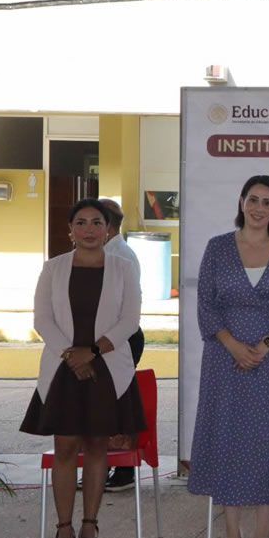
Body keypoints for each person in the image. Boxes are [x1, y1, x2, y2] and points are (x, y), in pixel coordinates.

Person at [20, 198, 145, 538]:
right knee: (65, 448)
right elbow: (42, 319)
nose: (89, 229)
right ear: (70, 230)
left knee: (96, 447)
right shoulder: (53, 268)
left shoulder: (124, 268)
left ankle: (90, 528)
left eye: (96, 222)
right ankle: (64, 531)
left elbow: (130, 320)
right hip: (64, 368)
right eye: (81, 222)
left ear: (108, 230)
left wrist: (90, 352)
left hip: (107, 367)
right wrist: (72, 355)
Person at [187, 175, 269, 538]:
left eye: (267, 202)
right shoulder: (217, 247)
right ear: (241, 202)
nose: (259, 208)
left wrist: (263, 346)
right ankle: (232, 533)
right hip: (224, 360)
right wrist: (234, 345)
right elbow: (206, 305)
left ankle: (262, 533)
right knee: (228, 440)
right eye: (253, 199)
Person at [99, 198, 145, 492]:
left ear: (107, 226)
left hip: (120, 337)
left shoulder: (120, 256)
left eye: (92, 222)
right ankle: (100, 465)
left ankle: (124, 469)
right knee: (101, 403)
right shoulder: (103, 252)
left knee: (118, 403)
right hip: (103, 338)